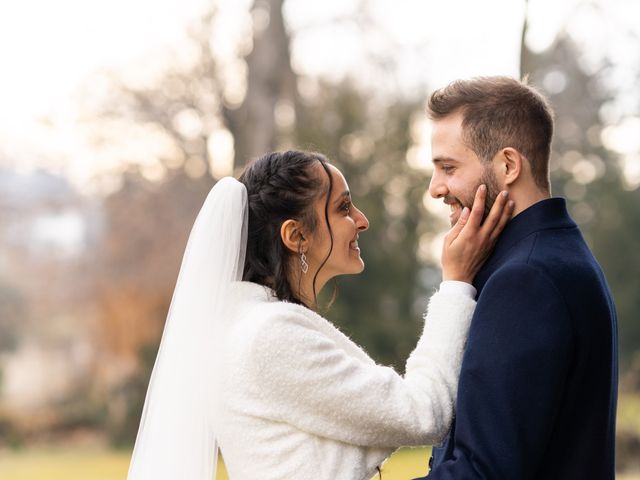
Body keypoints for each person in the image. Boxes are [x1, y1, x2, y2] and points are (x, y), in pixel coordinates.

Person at [126, 150, 512, 480]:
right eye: (343, 208)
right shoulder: (268, 336)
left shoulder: (246, 326)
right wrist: (456, 284)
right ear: (296, 236)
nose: (362, 221)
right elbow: (424, 412)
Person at [417, 76, 618, 480]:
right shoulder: (557, 255)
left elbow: (483, 472)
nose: (436, 188)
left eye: (448, 167)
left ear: (508, 165)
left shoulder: (525, 279)